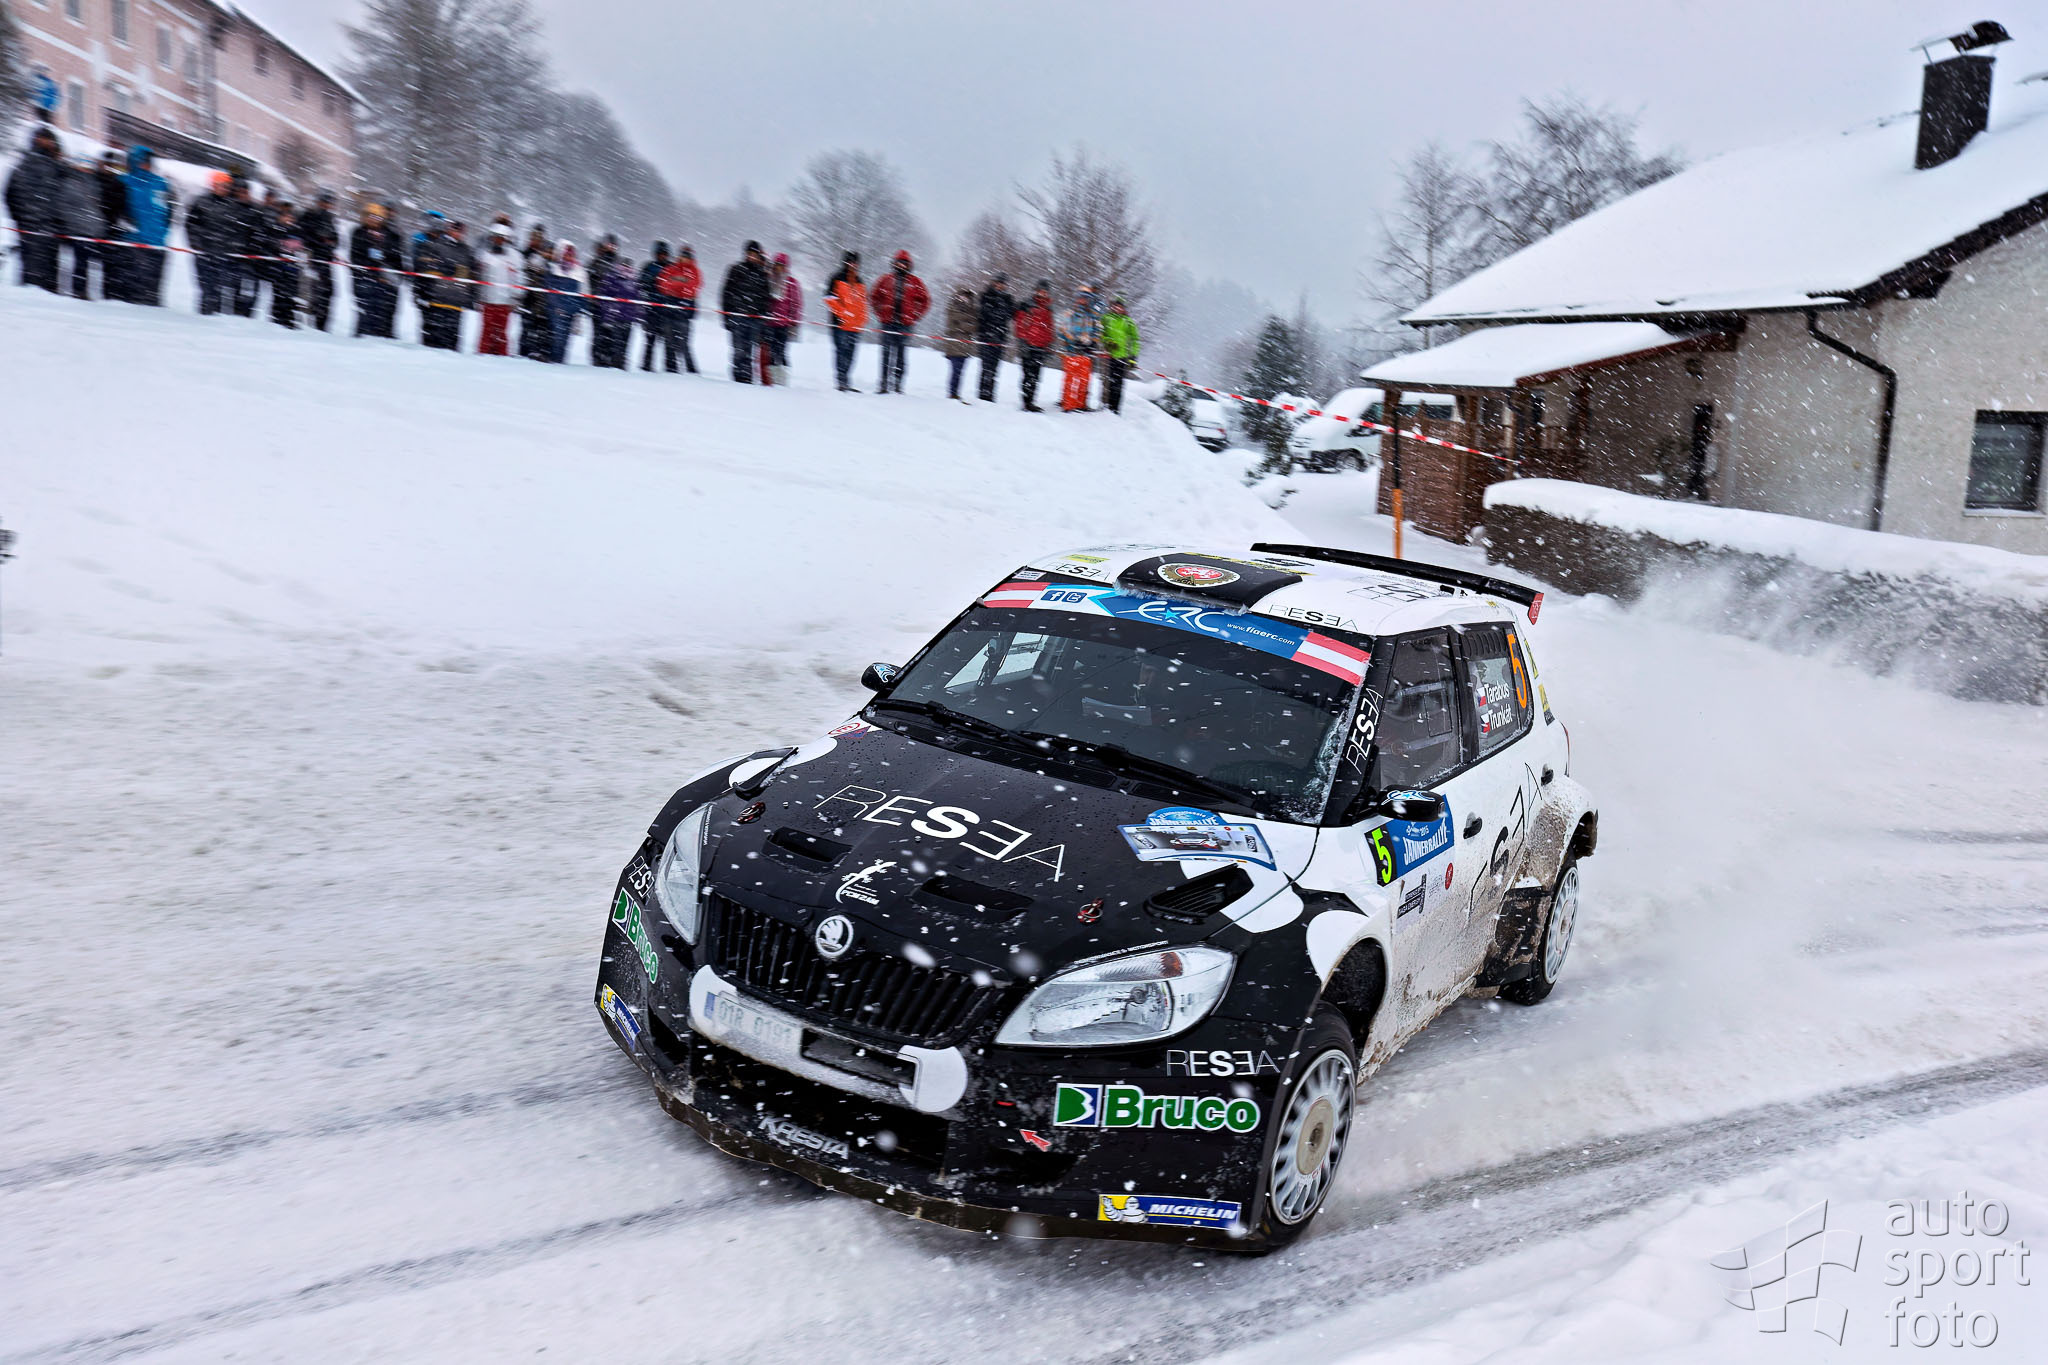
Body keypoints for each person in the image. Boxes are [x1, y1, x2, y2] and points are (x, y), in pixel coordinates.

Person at [4, 126, 66, 292]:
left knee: (39, 272)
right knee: (39, 275)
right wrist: (25, 218)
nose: (52, 144)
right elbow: (11, 194)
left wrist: (21, 219)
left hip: (41, 226)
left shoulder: (47, 165)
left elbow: (10, 195)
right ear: (40, 140)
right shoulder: (37, 165)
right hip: (39, 226)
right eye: (50, 141)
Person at [868, 249, 929, 394]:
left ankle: (897, 384)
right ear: (894, 263)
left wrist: (915, 315)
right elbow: (874, 297)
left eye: (904, 263)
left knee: (901, 355)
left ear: (909, 265)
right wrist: (880, 312)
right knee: (885, 354)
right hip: (887, 323)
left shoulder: (915, 282)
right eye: (899, 263)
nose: (902, 265)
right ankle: (883, 384)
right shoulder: (885, 279)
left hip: (905, 325)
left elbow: (925, 301)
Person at [119, 146, 174, 307]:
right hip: (134, 241)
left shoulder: (161, 183)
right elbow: (117, 209)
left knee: (153, 289)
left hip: (157, 242)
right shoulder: (124, 181)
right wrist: (128, 226)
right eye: (144, 161)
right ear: (134, 162)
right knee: (133, 286)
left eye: (149, 162)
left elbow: (169, 210)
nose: (147, 165)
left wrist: (163, 230)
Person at [185, 171, 240, 315]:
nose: (225, 189)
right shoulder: (201, 202)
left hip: (223, 254)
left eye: (227, 186)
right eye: (222, 185)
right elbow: (191, 224)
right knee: (206, 287)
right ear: (214, 185)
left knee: (220, 287)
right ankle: (205, 314)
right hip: (204, 252)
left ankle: (215, 316)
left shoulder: (232, 205)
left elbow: (236, 229)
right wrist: (196, 243)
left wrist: (233, 245)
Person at [412, 211, 467, 350]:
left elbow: (466, 272)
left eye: (459, 231)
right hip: (433, 296)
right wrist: (419, 292)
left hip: (454, 299)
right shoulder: (429, 244)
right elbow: (423, 269)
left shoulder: (464, 249)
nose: (456, 234)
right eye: (454, 230)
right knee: (431, 332)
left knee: (451, 335)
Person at [720, 240, 772, 383]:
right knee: (738, 349)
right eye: (750, 253)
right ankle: (738, 375)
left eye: (755, 254)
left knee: (749, 350)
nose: (752, 256)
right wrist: (726, 316)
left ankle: (746, 377)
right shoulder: (736, 270)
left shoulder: (762, 275)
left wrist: (763, 318)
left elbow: (766, 299)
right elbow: (726, 293)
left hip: (754, 319)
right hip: (737, 317)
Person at [348, 202, 402, 338]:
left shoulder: (391, 235)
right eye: (370, 216)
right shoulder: (359, 232)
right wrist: (371, 272)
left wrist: (391, 274)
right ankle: (363, 335)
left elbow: (396, 258)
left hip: (386, 281)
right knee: (365, 309)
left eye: (377, 217)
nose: (373, 220)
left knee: (385, 310)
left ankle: (383, 335)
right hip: (365, 278)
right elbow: (356, 256)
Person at [56, 157, 107, 300]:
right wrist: (74, 221)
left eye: (89, 166)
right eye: (84, 166)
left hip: (92, 227)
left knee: (87, 261)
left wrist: (98, 224)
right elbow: (64, 204)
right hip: (78, 228)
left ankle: (81, 289)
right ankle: (79, 290)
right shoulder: (70, 182)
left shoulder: (95, 183)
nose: (87, 169)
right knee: (81, 261)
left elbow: (96, 206)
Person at [475, 219, 524, 356]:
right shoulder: (485, 253)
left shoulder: (514, 256)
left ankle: (501, 356)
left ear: (507, 239)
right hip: (488, 300)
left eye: (501, 238)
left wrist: (516, 296)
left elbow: (518, 277)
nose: (498, 240)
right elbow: (481, 276)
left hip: (505, 301)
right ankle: (483, 355)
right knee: (487, 330)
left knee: (501, 332)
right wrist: (479, 296)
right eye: (496, 237)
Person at [654, 244, 702, 373]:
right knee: (668, 341)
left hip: (685, 311)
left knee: (684, 343)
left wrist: (675, 284)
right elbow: (662, 285)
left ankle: (691, 370)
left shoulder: (695, 271)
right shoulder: (671, 268)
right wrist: (681, 283)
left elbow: (693, 288)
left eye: (687, 257)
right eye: (683, 256)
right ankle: (671, 367)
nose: (684, 259)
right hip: (669, 310)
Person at [92, 151, 132, 301]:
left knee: (112, 265)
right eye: (107, 164)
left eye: (113, 165)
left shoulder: (119, 184)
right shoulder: (95, 180)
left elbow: (123, 207)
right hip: (95, 226)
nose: (109, 168)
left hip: (113, 228)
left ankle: (110, 295)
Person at [824, 251, 866, 392]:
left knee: (851, 355)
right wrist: (842, 313)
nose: (853, 265)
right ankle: (841, 381)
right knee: (841, 352)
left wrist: (863, 318)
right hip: (840, 324)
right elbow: (828, 298)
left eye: (855, 262)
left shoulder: (860, 281)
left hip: (855, 326)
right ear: (845, 262)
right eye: (850, 261)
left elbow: (862, 302)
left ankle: (846, 381)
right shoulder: (836, 278)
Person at [299, 190, 339, 330]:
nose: (327, 205)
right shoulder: (309, 215)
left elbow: (336, 240)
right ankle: (310, 323)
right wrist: (321, 241)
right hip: (311, 259)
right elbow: (304, 236)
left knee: (327, 293)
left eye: (329, 203)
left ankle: (321, 325)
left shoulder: (330, 218)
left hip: (325, 260)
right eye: (324, 202)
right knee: (311, 293)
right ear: (318, 202)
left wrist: (328, 242)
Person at [1058, 284, 1102, 412]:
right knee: (1070, 379)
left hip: (1086, 352)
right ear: (1076, 298)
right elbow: (1062, 330)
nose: (1083, 300)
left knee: (1084, 380)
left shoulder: (1092, 315)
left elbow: (1098, 330)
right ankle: (1068, 404)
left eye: (1085, 298)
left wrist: (1093, 342)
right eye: (1081, 298)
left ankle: (1081, 404)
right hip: (1072, 351)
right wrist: (1072, 340)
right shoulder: (1069, 313)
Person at [1013, 280, 1055, 412]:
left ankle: (1031, 401)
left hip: (1041, 347)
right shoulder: (1027, 305)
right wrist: (1022, 341)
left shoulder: (1048, 308)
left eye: (1045, 292)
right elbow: (1020, 325)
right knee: (1028, 374)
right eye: (1041, 291)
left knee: (1036, 375)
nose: (1043, 294)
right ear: (1036, 291)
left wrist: (1049, 343)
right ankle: (1026, 402)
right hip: (1028, 345)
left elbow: (1049, 327)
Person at [591, 254, 639, 369]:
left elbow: (637, 298)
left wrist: (637, 314)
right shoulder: (611, 278)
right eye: (624, 266)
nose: (626, 268)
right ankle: (614, 363)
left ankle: (620, 362)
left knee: (625, 341)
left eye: (628, 266)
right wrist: (607, 312)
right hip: (614, 315)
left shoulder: (634, 281)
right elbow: (604, 295)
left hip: (627, 317)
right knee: (615, 341)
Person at [974, 273, 1015, 402]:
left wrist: (1002, 309)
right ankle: (983, 393)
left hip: (1000, 336)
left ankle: (990, 393)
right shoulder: (986, 295)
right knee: (986, 366)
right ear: (993, 282)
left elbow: (1009, 315)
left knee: (994, 367)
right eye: (997, 282)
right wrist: (998, 309)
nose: (999, 285)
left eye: (1002, 283)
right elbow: (985, 314)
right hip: (986, 336)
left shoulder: (1008, 299)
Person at [261, 200, 302, 327]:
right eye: (285, 216)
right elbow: (269, 245)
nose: (288, 218)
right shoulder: (274, 229)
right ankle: (277, 320)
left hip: (292, 268)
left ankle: (289, 319)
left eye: (290, 216)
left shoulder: (296, 230)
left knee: (291, 295)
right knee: (279, 295)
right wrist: (280, 249)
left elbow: (300, 248)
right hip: (278, 268)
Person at [543, 240, 584, 363]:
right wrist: (558, 307)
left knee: (564, 339)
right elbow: (550, 290)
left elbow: (581, 295)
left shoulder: (578, 271)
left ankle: (559, 361)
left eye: (571, 255)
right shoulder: (554, 269)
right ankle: (553, 360)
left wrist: (572, 309)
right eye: (566, 254)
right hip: (555, 310)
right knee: (557, 336)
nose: (568, 257)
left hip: (569, 312)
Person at [764, 252, 801, 386]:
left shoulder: (792, 283)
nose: (779, 268)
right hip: (769, 323)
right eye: (777, 265)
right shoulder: (769, 278)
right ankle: (773, 380)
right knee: (771, 352)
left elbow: (796, 304)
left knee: (782, 352)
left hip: (784, 325)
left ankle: (783, 380)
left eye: (782, 265)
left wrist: (794, 322)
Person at [228, 178, 263, 316]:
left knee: (248, 292)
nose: (242, 194)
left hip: (250, 257)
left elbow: (260, 232)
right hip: (231, 255)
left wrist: (254, 247)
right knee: (231, 289)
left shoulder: (255, 210)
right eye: (239, 192)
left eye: (244, 192)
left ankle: (245, 316)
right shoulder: (230, 207)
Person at [1100, 296, 1140, 414]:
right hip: (1109, 356)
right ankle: (1106, 406)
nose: (1117, 308)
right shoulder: (1106, 318)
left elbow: (1135, 340)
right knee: (1107, 382)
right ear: (1112, 306)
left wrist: (1133, 357)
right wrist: (1108, 342)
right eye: (1116, 306)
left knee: (1118, 384)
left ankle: (1115, 409)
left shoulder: (1128, 321)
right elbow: (1101, 333)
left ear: (1123, 308)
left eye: (1120, 306)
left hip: (1123, 357)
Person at [636, 241, 673, 372]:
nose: (663, 256)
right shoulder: (649, 267)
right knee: (650, 339)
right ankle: (646, 364)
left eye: (665, 254)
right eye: (660, 254)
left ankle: (670, 367)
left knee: (669, 341)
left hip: (667, 310)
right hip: (652, 309)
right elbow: (641, 284)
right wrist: (650, 287)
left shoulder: (672, 267)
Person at [519, 226, 552, 359]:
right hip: (528, 297)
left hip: (542, 299)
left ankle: (537, 352)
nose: (536, 241)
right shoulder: (525, 253)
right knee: (526, 328)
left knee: (540, 328)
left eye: (538, 238)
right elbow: (522, 271)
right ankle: (523, 353)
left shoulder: (547, 254)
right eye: (534, 238)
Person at [941, 285, 977, 402]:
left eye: (967, 297)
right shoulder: (952, 308)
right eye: (963, 296)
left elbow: (975, 327)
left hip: (965, 346)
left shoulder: (972, 310)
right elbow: (952, 326)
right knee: (955, 370)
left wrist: (963, 323)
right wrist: (966, 324)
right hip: (954, 345)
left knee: (960, 371)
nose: (965, 298)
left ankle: (955, 392)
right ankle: (953, 393)